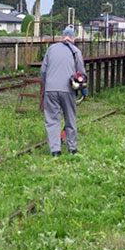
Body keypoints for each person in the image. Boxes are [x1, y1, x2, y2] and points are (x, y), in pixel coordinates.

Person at [40, 27, 86, 157]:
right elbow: (81, 73)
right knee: (70, 118)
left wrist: (47, 84)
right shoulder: (76, 51)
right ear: (73, 38)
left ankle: (55, 150)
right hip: (68, 90)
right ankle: (72, 148)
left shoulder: (51, 49)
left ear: (62, 37)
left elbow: (43, 70)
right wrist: (82, 90)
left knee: (52, 119)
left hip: (51, 89)